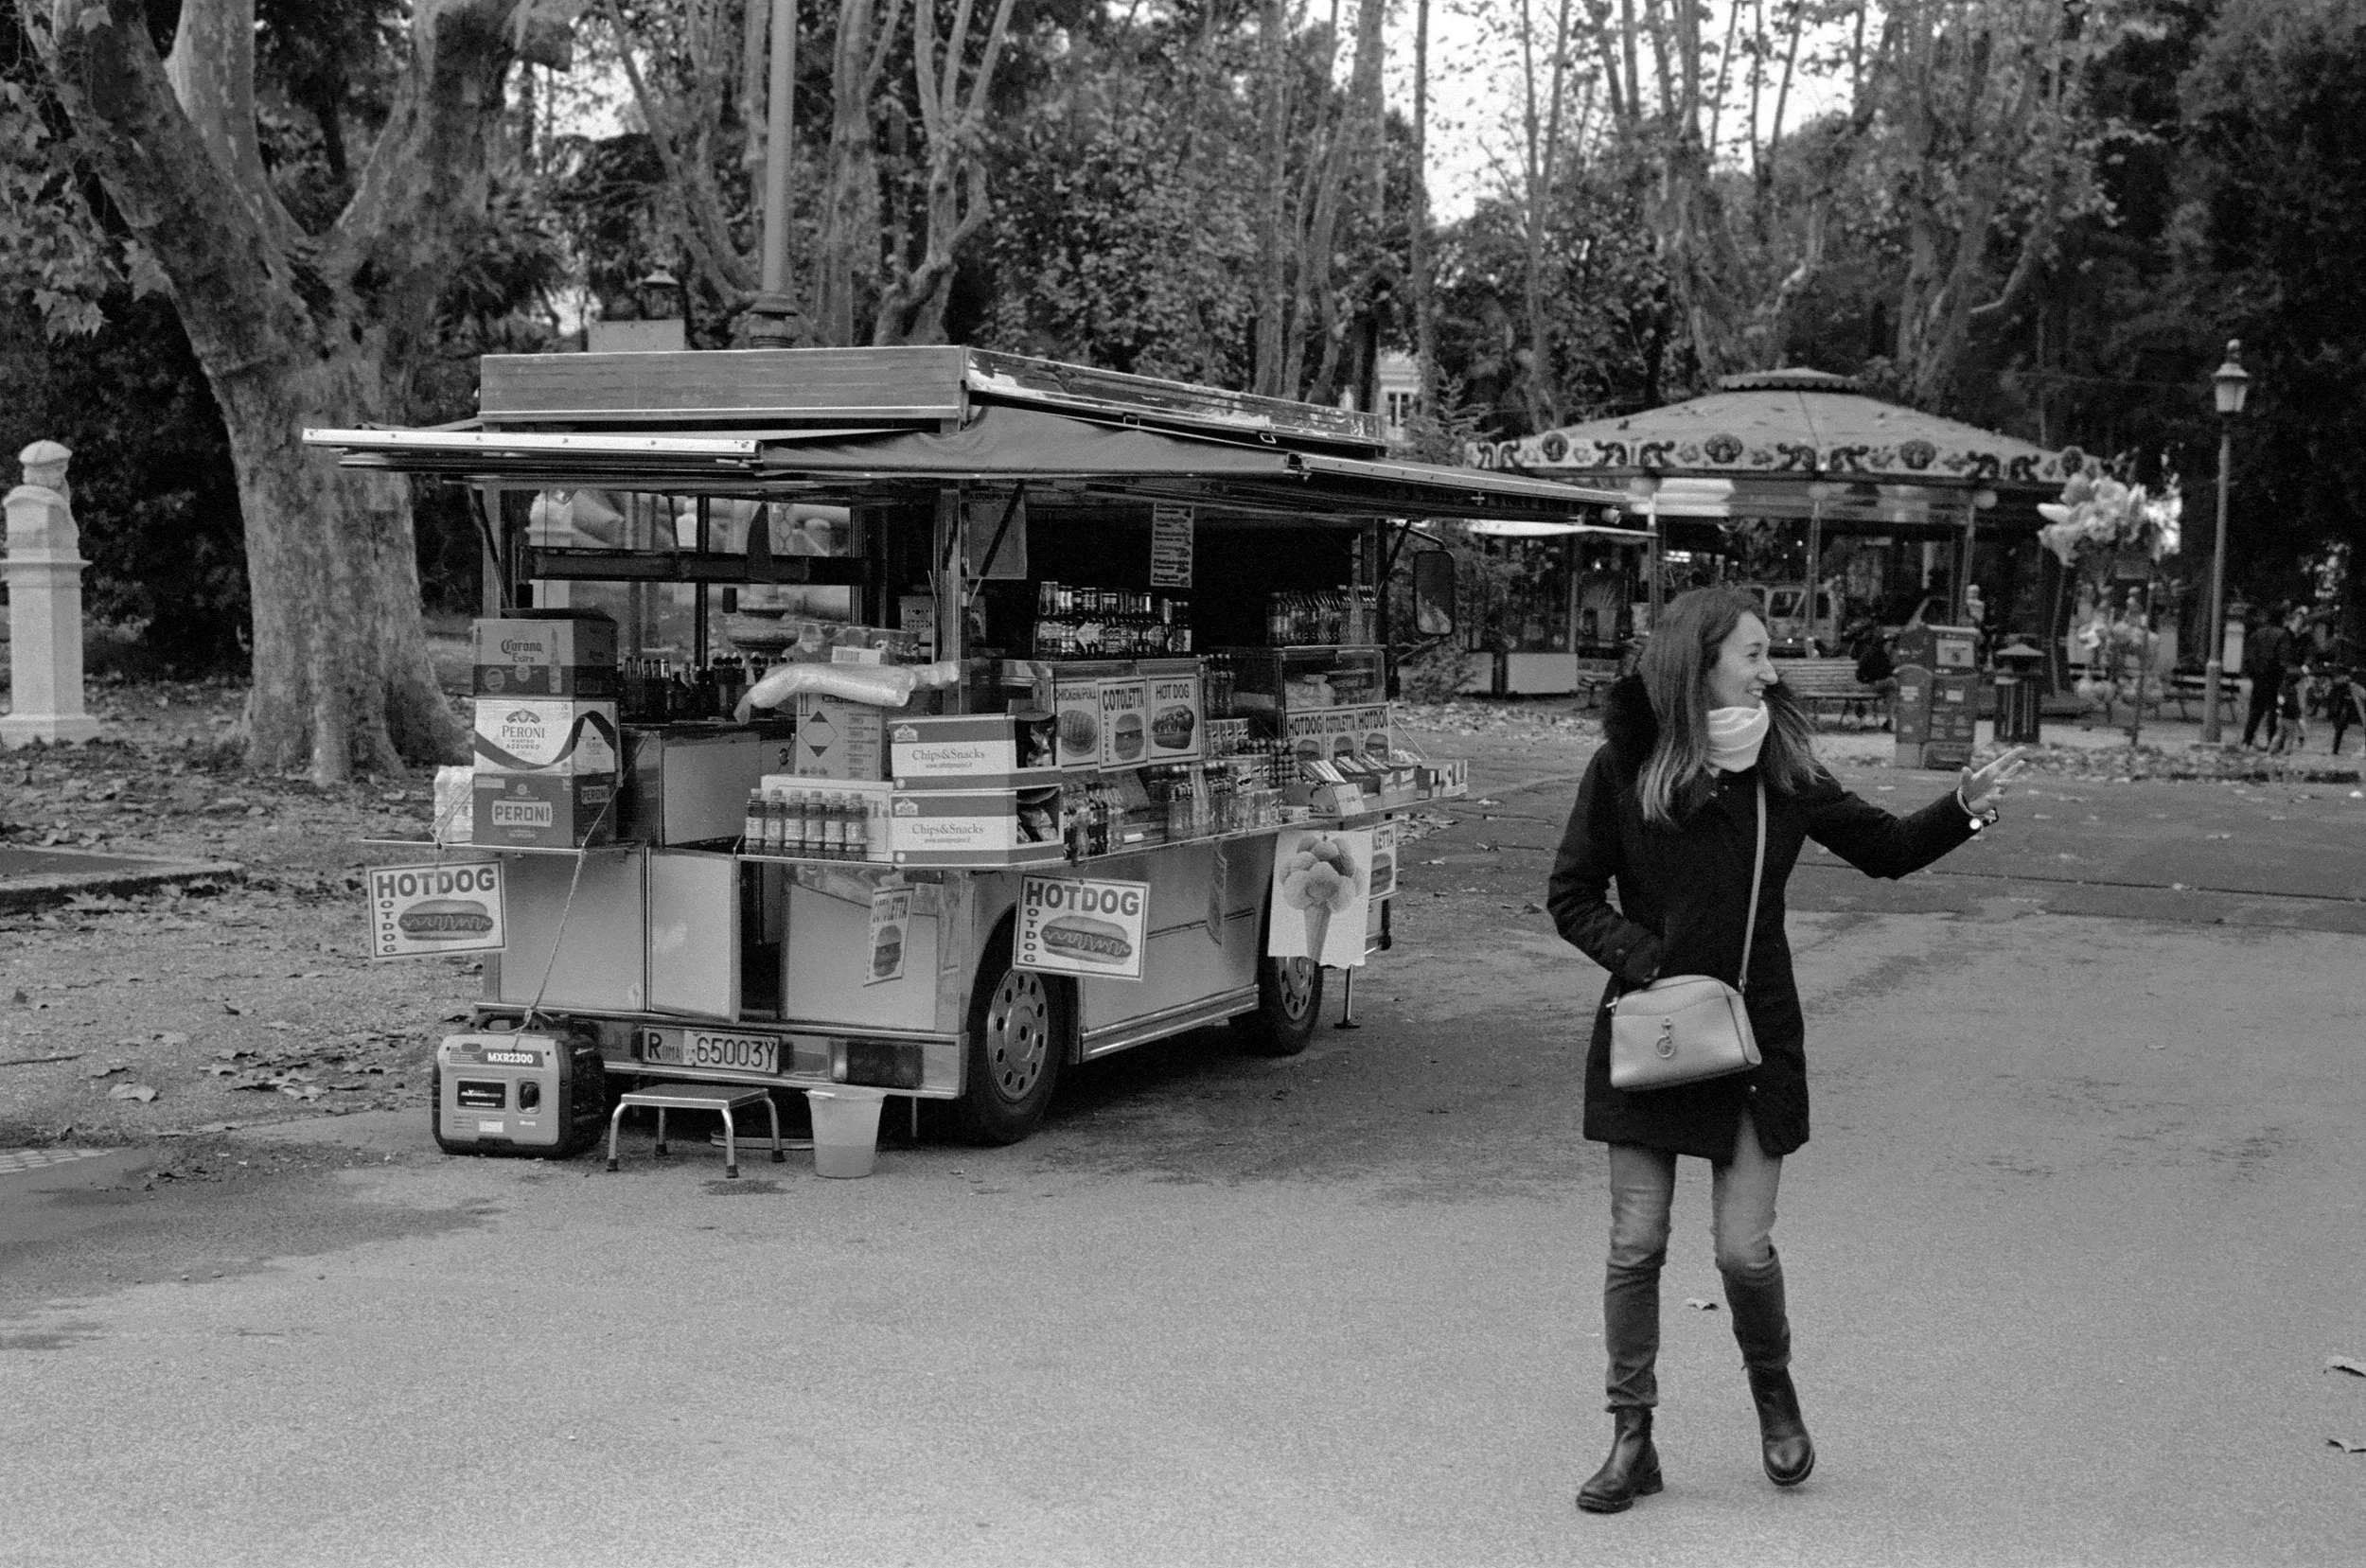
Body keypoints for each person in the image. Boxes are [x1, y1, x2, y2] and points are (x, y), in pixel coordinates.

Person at [1545, 586, 2024, 1514]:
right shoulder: (1622, 767)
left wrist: (1961, 809)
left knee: (1741, 1251)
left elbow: (1883, 847)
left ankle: (1774, 1396)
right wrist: (1645, 961)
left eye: (1772, 653)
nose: (1774, 669)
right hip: (1654, 1031)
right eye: (1755, 653)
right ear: (1701, 665)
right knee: (1634, 1243)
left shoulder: (1782, 767)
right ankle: (1631, 1435)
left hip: (1754, 1038)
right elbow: (1570, 893)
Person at [2242, 605, 2298, 749]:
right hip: (2275, 677)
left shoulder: (2257, 633)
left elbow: (2248, 657)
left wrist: (2253, 673)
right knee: (2274, 710)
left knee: (2256, 709)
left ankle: (2247, 740)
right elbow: (2283, 658)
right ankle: (2273, 741)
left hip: (2258, 677)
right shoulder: (2282, 635)